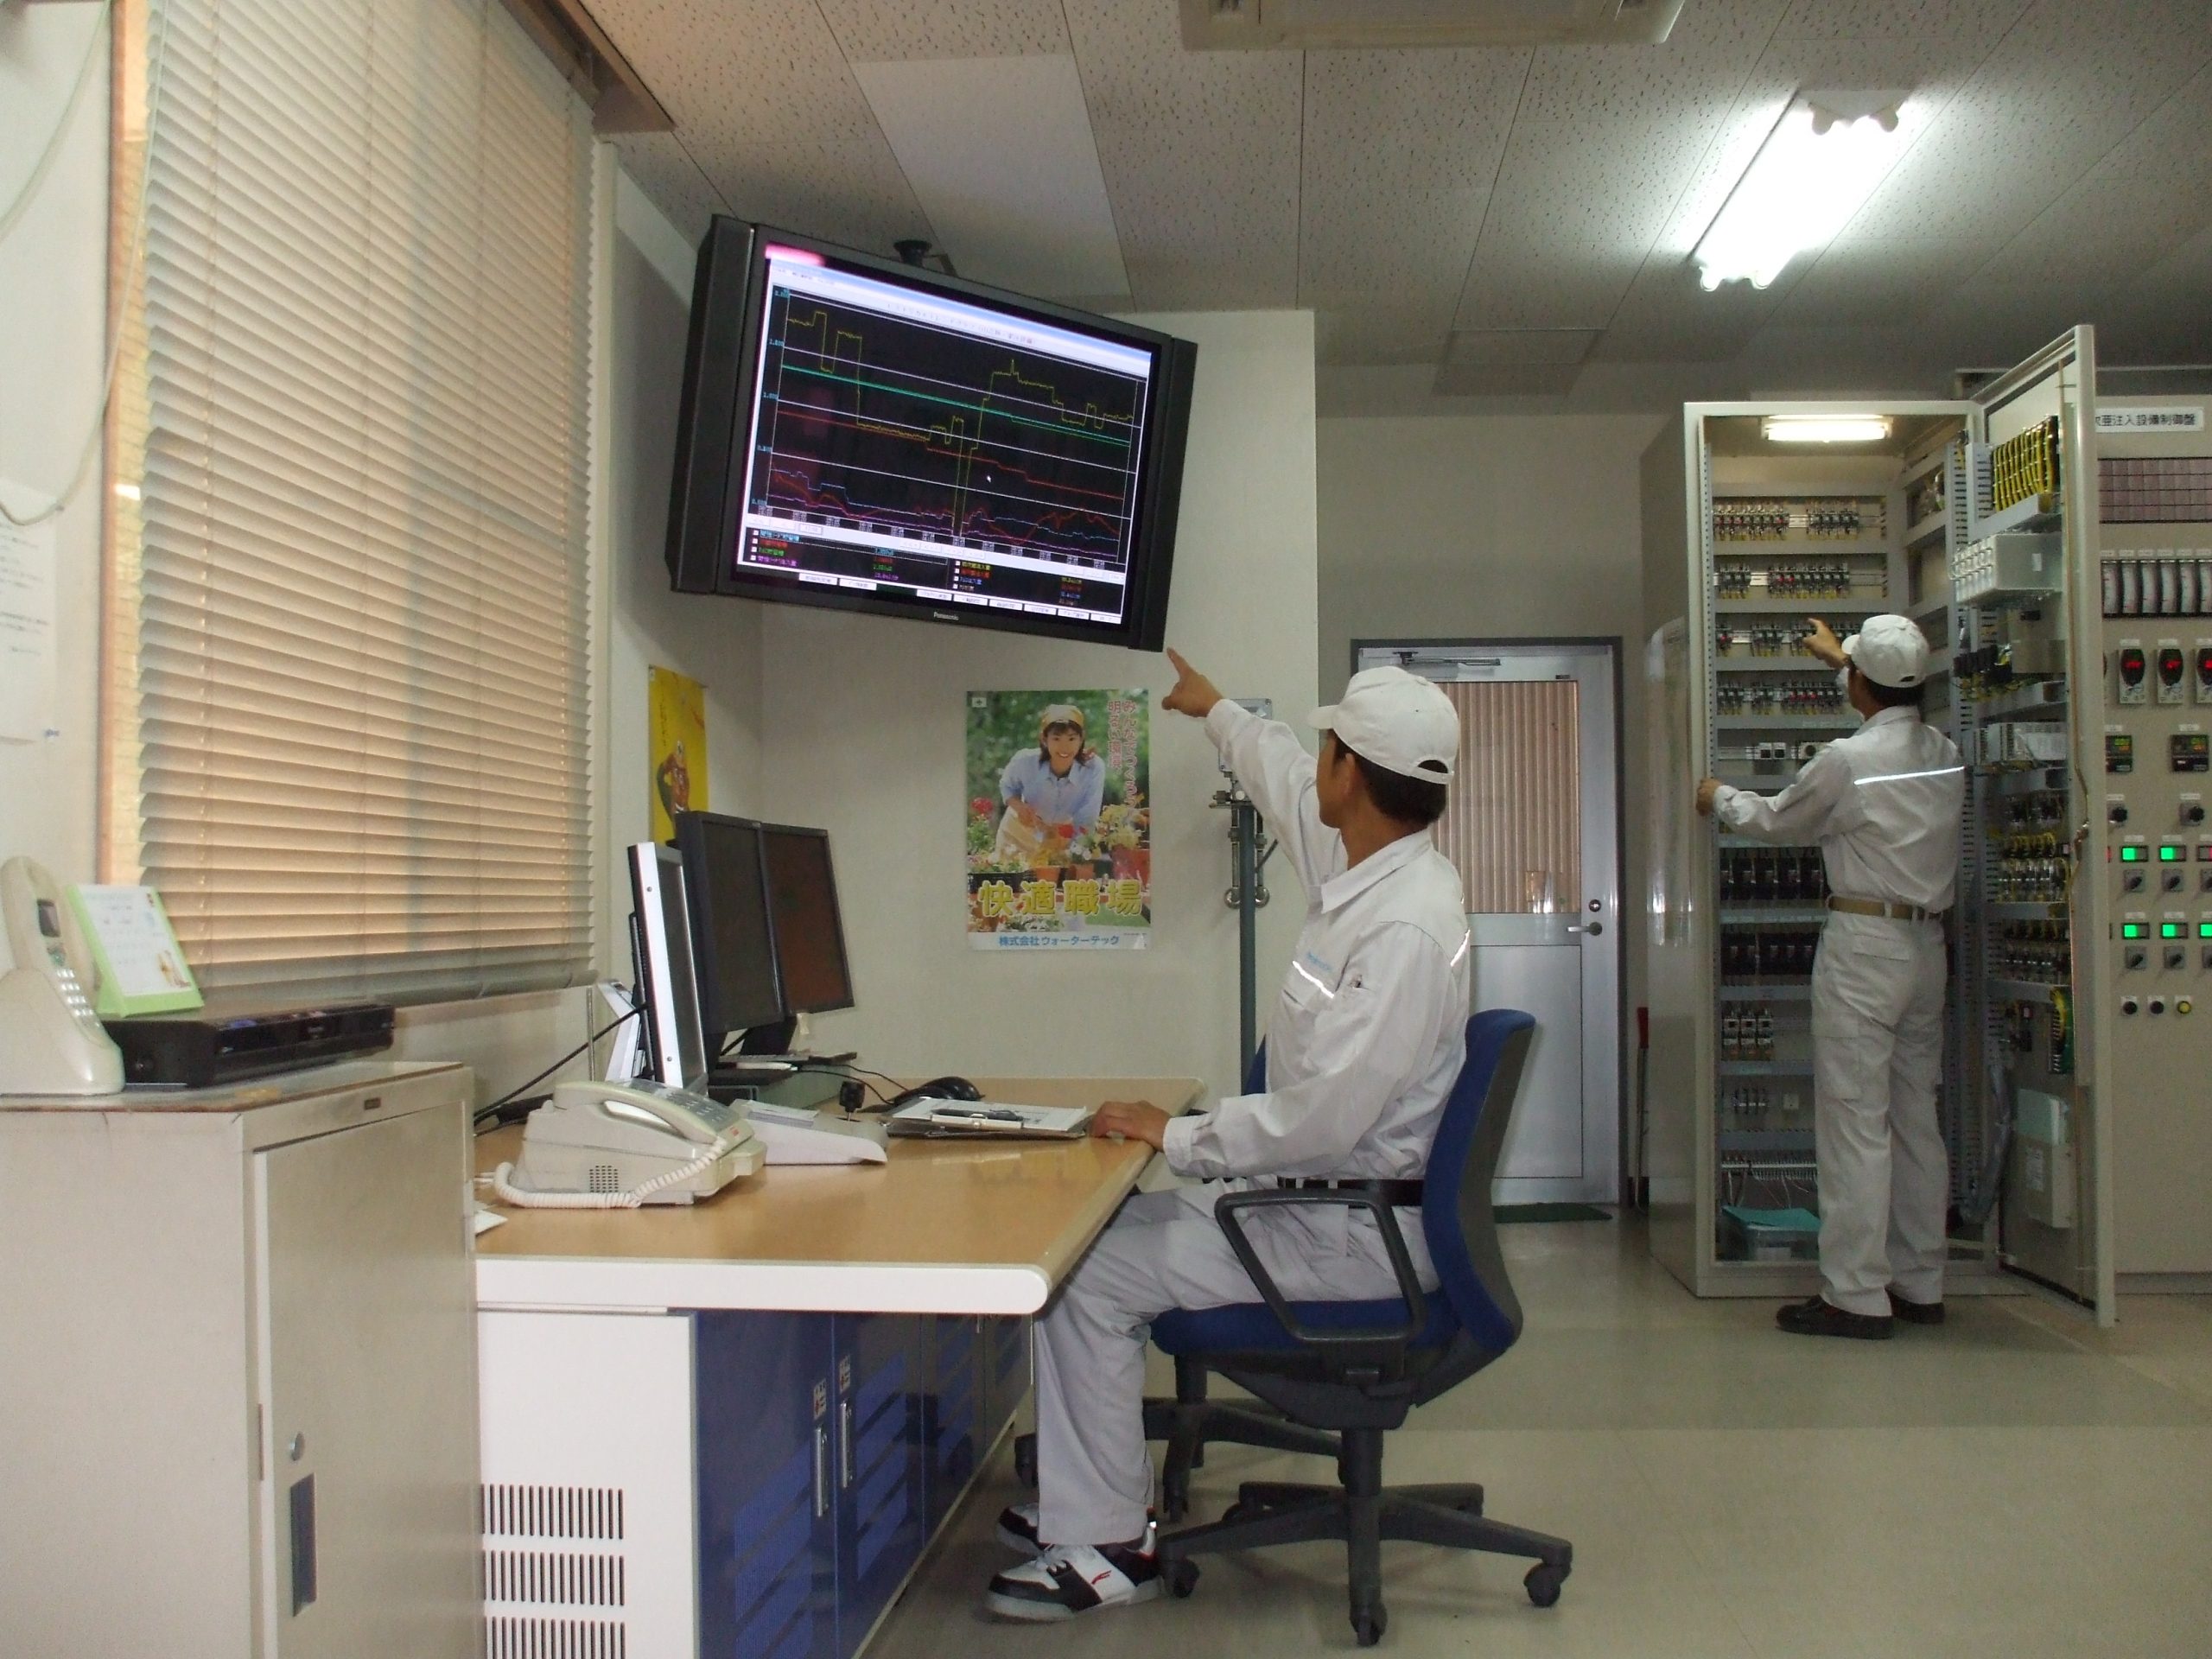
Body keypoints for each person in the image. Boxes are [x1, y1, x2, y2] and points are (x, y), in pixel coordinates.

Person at [984, 653, 1471, 1621]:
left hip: (1348, 1235)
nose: (1316, 763)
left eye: (1328, 746)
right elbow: (1281, 779)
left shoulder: (1407, 929)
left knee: (1081, 1274)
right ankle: (1089, 1500)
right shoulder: (1370, 865)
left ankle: (1105, 1543)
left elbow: (1325, 1118)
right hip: (1327, 1206)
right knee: (1101, 1246)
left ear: (1356, 773)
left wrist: (1181, 1137)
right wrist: (1216, 714)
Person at [1695, 614, 1964, 1341]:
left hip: (1865, 948)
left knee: (1854, 1122)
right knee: (1916, 1122)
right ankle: (1920, 1282)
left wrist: (1717, 795)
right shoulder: (1942, 752)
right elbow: (1885, 707)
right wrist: (1841, 661)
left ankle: (1855, 1295)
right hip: (1926, 949)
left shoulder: (1845, 761)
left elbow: (1777, 820)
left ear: (1859, 684)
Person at [996, 704, 1107, 858]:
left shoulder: (1093, 768)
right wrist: (1020, 807)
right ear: (1044, 738)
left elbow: (1086, 817)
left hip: (1061, 837)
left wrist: (1079, 854)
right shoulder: (1025, 761)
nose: (1065, 747)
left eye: (1072, 738)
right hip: (1018, 835)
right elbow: (1007, 786)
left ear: (1082, 738)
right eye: (1056, 738)